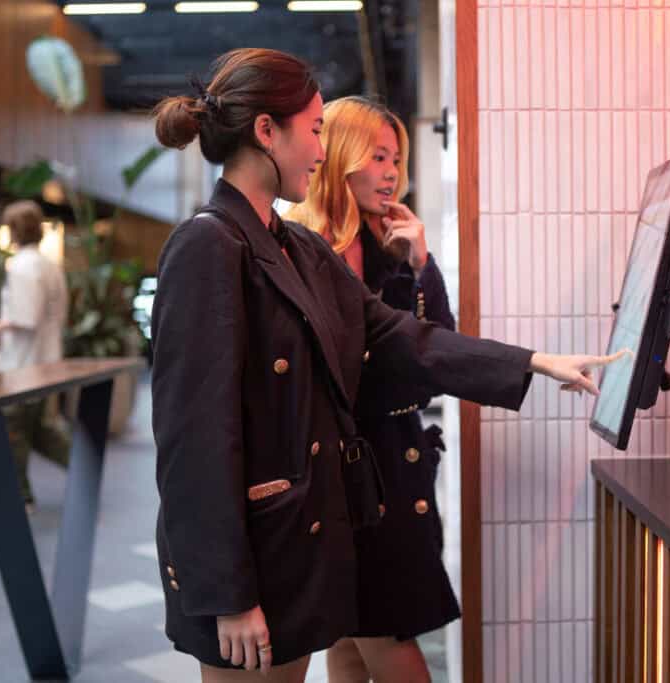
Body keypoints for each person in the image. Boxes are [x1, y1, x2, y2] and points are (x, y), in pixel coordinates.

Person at [150, 48, 618, 682]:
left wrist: (535, 362)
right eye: (314, 130)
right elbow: (192, 439)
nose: (320, 150)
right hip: (252, 564)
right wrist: (225, 593)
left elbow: (404, 337)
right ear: (266, 131)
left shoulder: (296, 247)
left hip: (294, 548)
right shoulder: (208, 244)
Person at [285, 96, 460, 682]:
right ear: (339, 158)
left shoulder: (385, 245)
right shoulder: (302, 248)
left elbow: (435, 349)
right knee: (367, 638)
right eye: (377, 156)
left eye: (396, 159)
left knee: (362, 635)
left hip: (387, 469)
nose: (390, 173)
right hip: (341, 478)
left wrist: (419, 261)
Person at [0, 200, 70, 511]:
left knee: (12, 431)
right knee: (37, 429)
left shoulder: (24, 266)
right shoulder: (48, 265)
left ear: (14, 230)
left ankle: (20, 498)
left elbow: (25, 318)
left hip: (24, 364)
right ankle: (83, 467)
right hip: (44, 359)